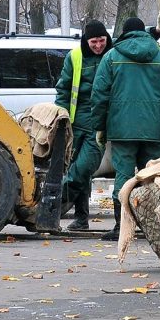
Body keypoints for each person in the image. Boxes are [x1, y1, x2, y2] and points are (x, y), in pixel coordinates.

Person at [90, 17, 160, 241]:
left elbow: (99, 96)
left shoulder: (111, 57)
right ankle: (155, 227)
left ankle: (122, 226)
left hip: (121, 130)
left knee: (123, 175)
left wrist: (100, 127)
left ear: (124, 33)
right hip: (155, 131)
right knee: (152, 178)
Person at [55, 20, 114, 231]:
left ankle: (53, 202)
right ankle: (81, 219)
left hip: (98, 124)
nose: (98, 45)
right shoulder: (75, 57)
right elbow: (63, 90)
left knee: (82, 168)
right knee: (78, 171)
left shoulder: (114, 54)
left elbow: (132, 37)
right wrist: (61, 118)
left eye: (101, 40)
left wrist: (155, 32)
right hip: (75, 122)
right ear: (86, 41)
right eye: (94, 42)